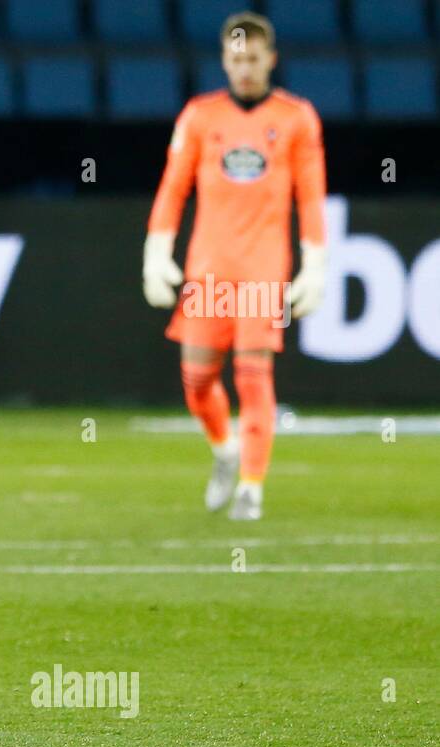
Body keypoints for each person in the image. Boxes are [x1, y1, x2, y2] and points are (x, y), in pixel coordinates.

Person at [142, 11, 326, 520]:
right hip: (208, 267)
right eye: (236, 58)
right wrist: (156, 254)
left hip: (264, 267)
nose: (244, 68)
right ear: (225, 60)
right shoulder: (200, 116)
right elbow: (173, 188)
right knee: (197, 382)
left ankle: (251, 485)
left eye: (253, 58)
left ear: (271, 59)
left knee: (252, 374)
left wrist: (315, 264)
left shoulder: (296, 118)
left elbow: (311, 197)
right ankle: (225, 450)